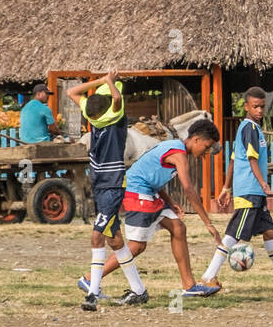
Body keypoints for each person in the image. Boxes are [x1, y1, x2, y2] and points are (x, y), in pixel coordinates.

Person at [86, 119, 225, 304]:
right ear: (197, 139)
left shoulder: (174, 147)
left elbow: (150, 173)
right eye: (206, 147)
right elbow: (189, 190)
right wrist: (208, 223)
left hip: (148, 192)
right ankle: (90, 279)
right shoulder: (179, 153)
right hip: (137, 193)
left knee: (178, 228)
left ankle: (189, 285)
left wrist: (169, 201)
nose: (206, 153)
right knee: (136, 246)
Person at [206, 86, 273, 289]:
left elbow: (234, 161)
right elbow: (251, 160)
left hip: (255, 192)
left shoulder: (249, 129)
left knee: (269, 231)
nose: (260, 111)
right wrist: (263, 183)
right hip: (249, 191)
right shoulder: (250, 129)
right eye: (255, 107)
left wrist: (226, 188)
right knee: (233, 236)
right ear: (246, 107)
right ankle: (208, 276)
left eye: (262, 107)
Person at [67, 71, 127, 311]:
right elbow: (73, 92)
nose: (91, 120)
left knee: (96, 234)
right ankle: (139, 290)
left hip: (113, 185)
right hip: (99, 184)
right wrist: (105, 81)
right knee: (116, 240)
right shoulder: (99, 113)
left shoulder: (116, 119)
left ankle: (92, 292)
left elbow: (116, 100)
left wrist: (106, 82)